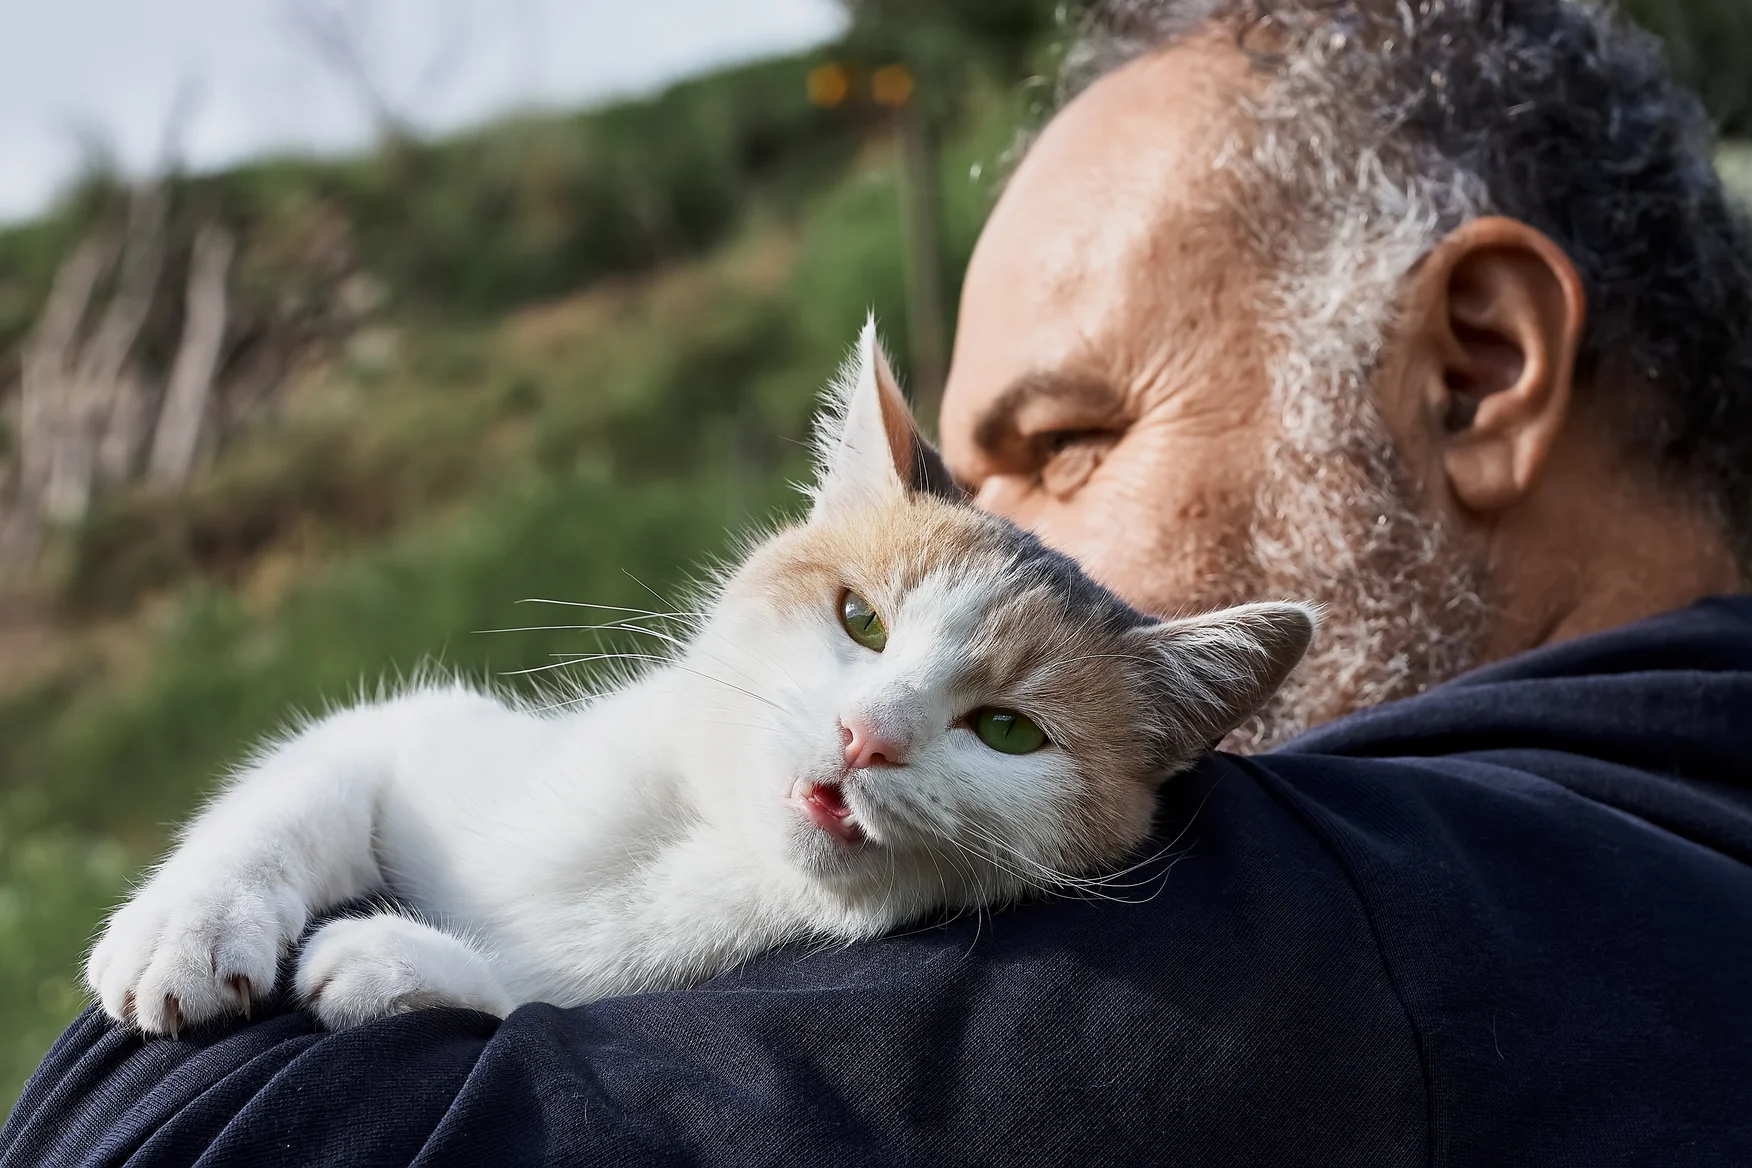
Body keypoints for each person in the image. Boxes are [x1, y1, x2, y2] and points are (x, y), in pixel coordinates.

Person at [6, 1, 1751, 1163]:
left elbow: (152, 1142)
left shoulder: (1313, 946)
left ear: (1474, 368)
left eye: (1061, 441)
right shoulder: (1672, 882)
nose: (1001, 532)